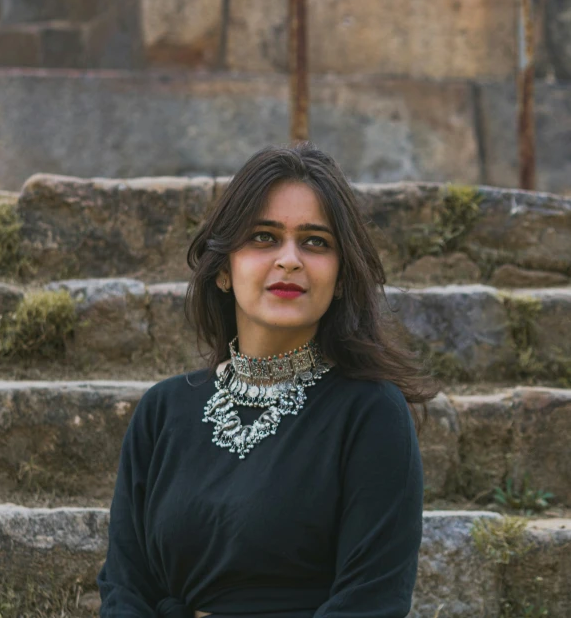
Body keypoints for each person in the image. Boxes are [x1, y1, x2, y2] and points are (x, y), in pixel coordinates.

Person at [97, 142, 441, 618]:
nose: (290, 259)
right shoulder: (162, 411)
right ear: (222, 269)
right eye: (263, 237)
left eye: (315, 241)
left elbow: (370, 604)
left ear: (341, 278)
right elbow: (124, 588)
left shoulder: (370, 413)